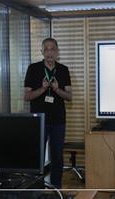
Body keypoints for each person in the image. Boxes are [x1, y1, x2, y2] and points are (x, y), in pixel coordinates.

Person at [24, 38, 72, 188]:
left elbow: (70, 97)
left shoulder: (63, 70)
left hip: (58, 120)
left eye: (52, 49)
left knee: (57, 157)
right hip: (39, 121)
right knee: (37, 157)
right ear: (42, 52)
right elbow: (27, 96)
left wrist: (57, 89)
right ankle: (35, 190)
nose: (50, 52)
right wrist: (43, 89)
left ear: (57, 52)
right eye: (46, 49)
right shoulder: (33, 68)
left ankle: (56, 189)